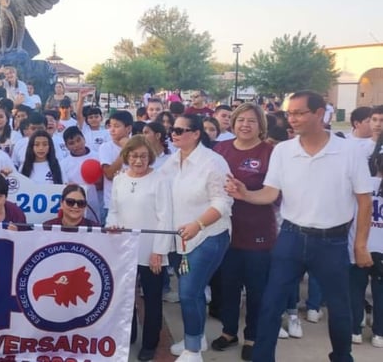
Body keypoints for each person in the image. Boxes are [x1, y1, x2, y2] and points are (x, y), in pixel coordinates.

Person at [225, 90, 373, 362]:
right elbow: (270, 193)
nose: (292, 119)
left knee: (340, 310)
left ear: (319, 114)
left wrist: (360, 245)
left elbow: (364, 201)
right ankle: (263, 356)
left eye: (299, 113)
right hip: (290, 238)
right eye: (289, 113)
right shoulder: (283, 151)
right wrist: (246, 194)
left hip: (333, 242)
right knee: (271, 304)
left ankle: (341, 356)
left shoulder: (348, 150)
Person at [161, 113, 233, 361]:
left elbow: (223, 202)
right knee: (194, 292)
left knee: (189, 292)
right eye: (173, 129)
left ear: (195, 134)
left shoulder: (214, 162)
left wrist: (199, 224)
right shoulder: (172, 161)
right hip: (178, 239)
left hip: (208, 236)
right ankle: (197, 337)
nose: (174, 134)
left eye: (180, 130)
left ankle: (193, 352)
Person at [210, 103, 275, 361]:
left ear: (261, 126)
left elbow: (275, 192)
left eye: (251, 121)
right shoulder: (220, 149)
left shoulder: (270, 153)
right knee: (228, 286)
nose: (245, 125)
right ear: (232, 123)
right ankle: (228, 331)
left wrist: (245, 193)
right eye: (240, 120)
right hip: (225, 230)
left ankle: (252, 336)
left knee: (257, 288)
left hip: (258, 232)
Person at [108, 135, 173, 361]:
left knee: (152, 299)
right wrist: (111, 227)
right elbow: (113, 210)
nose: (138, 160)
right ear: (127, 156)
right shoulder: (119, 180)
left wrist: (159, 251)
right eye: (134, 156)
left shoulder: (160, 179)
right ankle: (129, 335)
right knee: (126, 297)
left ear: (150, 157)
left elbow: (165, 218)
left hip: (151, 251)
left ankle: (150, 343)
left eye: (143, 156)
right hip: (125, 250)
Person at [350, 139, 383, 347]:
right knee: (381, 294)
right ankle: (379, 333)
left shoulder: (363, 185)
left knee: (355, 290)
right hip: (381, 249)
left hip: (358, 245)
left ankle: (355, 330)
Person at [59, 126, 102, 224]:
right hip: (74, 207)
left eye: (78, 140)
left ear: (84, 139)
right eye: (71, 143)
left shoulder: (98, 157)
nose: (76, 145)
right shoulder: (64, 164)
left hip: (95, 204)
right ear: (66, 146)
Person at [99, 110, 133, 224]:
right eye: (110, 126)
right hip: (111, 204)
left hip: (132, 202)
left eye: (116, 126)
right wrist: (125, 150)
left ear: (128, 128)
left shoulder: (138, 146)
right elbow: (109, 174)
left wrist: (130, 147)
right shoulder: (105, 147)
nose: (112, 130)